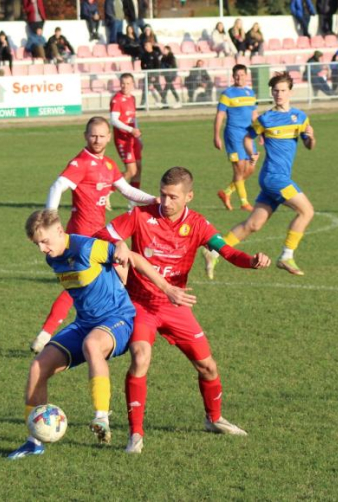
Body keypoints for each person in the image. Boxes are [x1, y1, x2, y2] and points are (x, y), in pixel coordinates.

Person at [94, 166, 272, 454]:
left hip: (176, 305)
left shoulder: (199, 225)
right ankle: (135, 435)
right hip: (141, 304)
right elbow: (100, 234)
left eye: (173, 197)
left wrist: (251, 261)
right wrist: (118, 244)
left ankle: (213, 419)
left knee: (208, 366)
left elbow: (228, 252)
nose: (165, 202)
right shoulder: (141, 215)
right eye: (163, 195)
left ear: (189, 196)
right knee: (141, 357)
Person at [9, 209, 194, 459]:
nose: (42, 248)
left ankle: (101, 417)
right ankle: (33, 442)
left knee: (92, 344)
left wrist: (166, 288)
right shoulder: (53, 258)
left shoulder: (86, 248)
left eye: (45, 241)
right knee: (37, 367)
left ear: (59, 231)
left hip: (118, 319)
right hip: (85, 322)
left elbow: (133, 257)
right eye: (37, 244)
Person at [31, 117, 158, 356]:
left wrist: (155, 200)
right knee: (82, 284)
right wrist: (50, 220)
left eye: (101, 136)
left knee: (108, 278)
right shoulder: (81, 162)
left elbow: (127, 191)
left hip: (99, 234)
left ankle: (118, 325)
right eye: (93, 135)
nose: (97, 140)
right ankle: (50, 333)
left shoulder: (108, 165)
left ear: (109, 137)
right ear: (85, 136)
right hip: (80, 236)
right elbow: (56, 186)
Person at [204, 72, 316, 278]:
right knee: (307, 211)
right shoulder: (266, 118)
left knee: (253, 225)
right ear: (272, 93)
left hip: (273, 179)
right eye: (275, 91)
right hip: (275, 178)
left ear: (290, 92)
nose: (279, 94)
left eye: (282, 90)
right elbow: (248, 137)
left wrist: (310, 137)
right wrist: (252, 153)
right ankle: (286, 256)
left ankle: (213, 250)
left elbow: (309, 144)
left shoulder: (300, 117)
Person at [213, 64, 259, 213]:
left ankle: (227, 193)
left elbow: (254, 116)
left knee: (250, 168)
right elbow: (220, 115)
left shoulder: (250, 93)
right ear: (233, 77)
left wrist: (261, 133)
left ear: (246, 76)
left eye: (242, 75)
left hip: (249, 135)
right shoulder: (228, 94)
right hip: (233, 134)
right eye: (237, 75)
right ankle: (244, 202)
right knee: (239, 168)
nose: (239, 78)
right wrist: (216, 135)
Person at [110, 74, 145, 207]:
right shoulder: (116, 99)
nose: (125, 86)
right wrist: (130, 130)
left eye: (128, 83)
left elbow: (134, 119)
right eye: (123, 83)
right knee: (131, 171)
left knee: (139, 169)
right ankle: (108, 191)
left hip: (133, 139)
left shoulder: (132, 98)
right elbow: (113, 120)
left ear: (133, 84)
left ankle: (133, 202)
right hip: (123, 140)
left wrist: (138, 137)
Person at [139, 41, 163, 107]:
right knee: (145, 89)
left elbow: (157, 66)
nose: (146, 47)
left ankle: (164, 101)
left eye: (147, 46)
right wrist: (144, 69)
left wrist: (154, 75)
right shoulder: (144, 55)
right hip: (147, 75)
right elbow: (142, 64)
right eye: (145, 46)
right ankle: (142, 104)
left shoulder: (154, 54)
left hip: (154, 75)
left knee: (158, 87)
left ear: (150, 46)